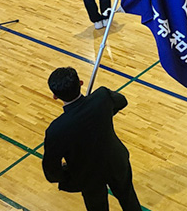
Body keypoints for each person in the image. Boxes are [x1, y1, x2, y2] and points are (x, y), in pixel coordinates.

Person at [42, 66, 141, 211]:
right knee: (129, 200)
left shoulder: (56, 129)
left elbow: (51, 170)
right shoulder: (101, 97)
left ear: (55, 96)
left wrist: (65, 175)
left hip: (88, 176)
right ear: (80, 83)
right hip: (116, 161)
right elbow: (122, 101)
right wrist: (102, 114)